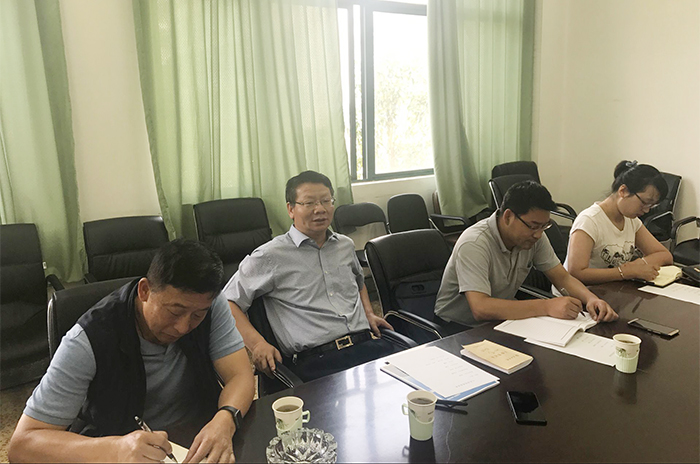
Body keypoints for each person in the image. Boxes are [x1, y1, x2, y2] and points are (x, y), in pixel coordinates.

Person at [9, 239, 254, 464]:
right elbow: (22, 445)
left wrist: (226, 419)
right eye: (174, 312)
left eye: (197, 316)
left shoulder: (209, 304)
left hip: (197, 440)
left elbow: (240, 375)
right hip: (122, 451)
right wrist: (115, 449)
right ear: (144, 290)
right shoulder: (88, 339)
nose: (183, 327)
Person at [224, 170, 396, 382]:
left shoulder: (345, 245)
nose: (320, 209)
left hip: (367, 346)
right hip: (317, 362)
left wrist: (368, 313)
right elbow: (228, 302)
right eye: (309, 203)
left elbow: (359, 282)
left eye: (326, 201)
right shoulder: (269, 256)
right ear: (291, 209)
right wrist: (257, 344)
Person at [434, 180, 618, 328]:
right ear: (508, 216)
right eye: (533, 226)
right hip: (458, 327)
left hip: (501, 320)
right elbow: (481, 308)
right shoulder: (474, 243)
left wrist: (591, 299)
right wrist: (546, 306)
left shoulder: (534, 237)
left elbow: (562, 277)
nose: (538, 234)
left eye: (544, 226)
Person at [564, 160, 673, 284]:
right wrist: (625, 272)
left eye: (651, 206)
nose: (646, 210)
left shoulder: (631, 220)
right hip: (578, 292)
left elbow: (664, 255)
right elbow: (576, 272)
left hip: (611, 288)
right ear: (623, 191)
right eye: (644, 203)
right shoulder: (589, 221)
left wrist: (638, 265)